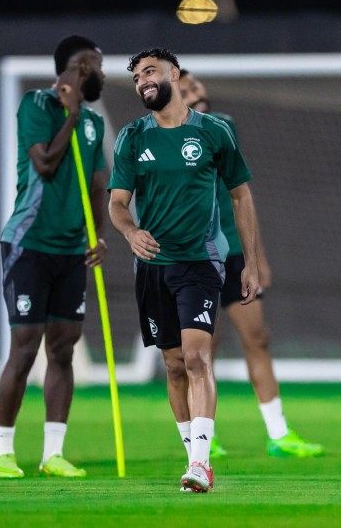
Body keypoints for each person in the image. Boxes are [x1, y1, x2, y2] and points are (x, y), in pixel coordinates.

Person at [107, 48, 260, 493]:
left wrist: (250, 262)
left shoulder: (213, 131)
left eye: (150, 71)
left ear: (173, 74)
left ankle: (200, 464)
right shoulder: (132, 137)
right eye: (136, 77)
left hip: (201, 261)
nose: (142, 81)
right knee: (173, 365)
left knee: (196, 357)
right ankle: (193, 453)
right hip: (153, 267)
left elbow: (241, 196)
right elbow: (117, 204)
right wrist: (130, 232)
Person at [177, 69, 325, 459]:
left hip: (233, 254)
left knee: (257, 337)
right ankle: (202, 437)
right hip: (196, 256)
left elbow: (240, 192)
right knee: (200, 350)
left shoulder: (224, 126)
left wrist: (256, 257)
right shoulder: (165, 137)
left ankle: (279, 433)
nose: (196, 92)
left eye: (196, 85)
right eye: (185, 90)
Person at [0, 35, 108, 479]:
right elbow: (44, 163)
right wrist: (70, 114)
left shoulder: (94, 123)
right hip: (30, 243)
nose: (99, 73)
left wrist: (97, 237)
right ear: (73, 69)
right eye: (92, 65)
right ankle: (2, 452)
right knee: (25, 348)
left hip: (72, 250)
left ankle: (52, 454)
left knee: (63, 348)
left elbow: (97, 186)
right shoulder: (36, 106)